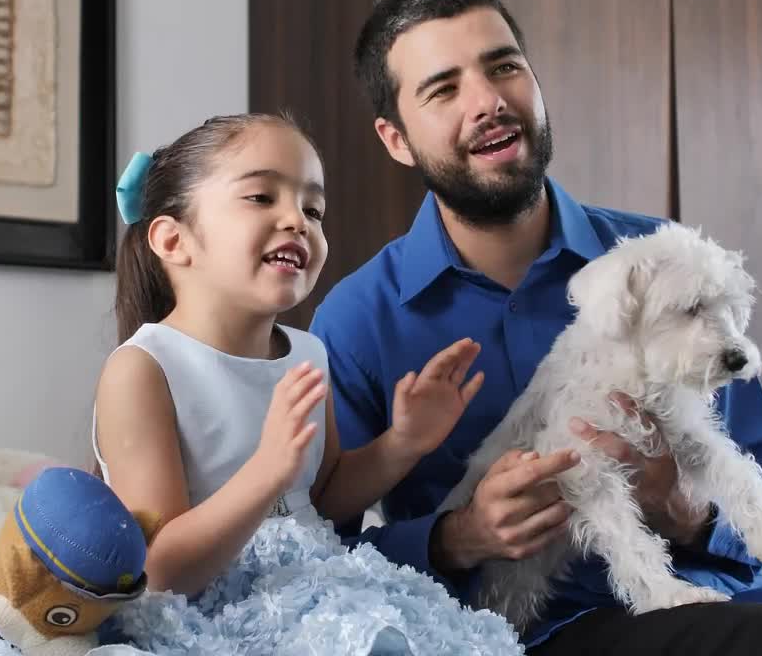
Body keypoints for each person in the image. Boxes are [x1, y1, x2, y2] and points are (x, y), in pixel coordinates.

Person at [309, 0, 762, 655]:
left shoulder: (660, 258)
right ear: (395, 139)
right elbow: (319, 564)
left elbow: (761, 478)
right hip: (554, 626)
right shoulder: (359, 319)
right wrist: (454, 537)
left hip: (749, 594)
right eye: (444, 88)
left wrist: (688, 510)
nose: (488, 100)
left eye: (505, 67)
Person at [88, 112, 524, 653]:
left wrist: (402, 443)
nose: (297, 220)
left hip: (315, 588)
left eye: (313, 209)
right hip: (207, 614)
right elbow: (159, 570)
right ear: (174, 240)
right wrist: (265, 472)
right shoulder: (144, 369)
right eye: (261, 197)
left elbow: (324, 498)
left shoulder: (307, 353)